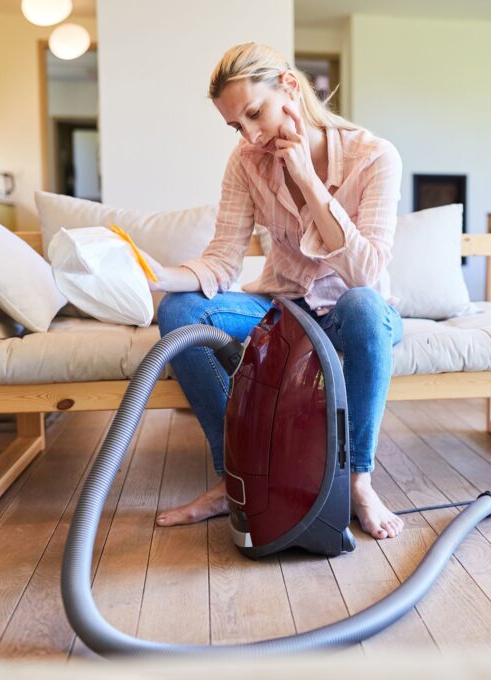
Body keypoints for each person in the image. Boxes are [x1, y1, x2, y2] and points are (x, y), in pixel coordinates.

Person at [142, 43, 404, 539]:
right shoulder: (246, 162)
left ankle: (356, 480)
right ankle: (235, 473)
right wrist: (150, 273)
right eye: (237, 126)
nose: (251, 135)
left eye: (254, 114)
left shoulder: (375, 157)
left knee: (364, 304)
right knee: (180, 311)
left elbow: (366, 275)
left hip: (355, 311)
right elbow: (222, 260)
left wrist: (308, 179)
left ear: (288, 87)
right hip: (284, 309)